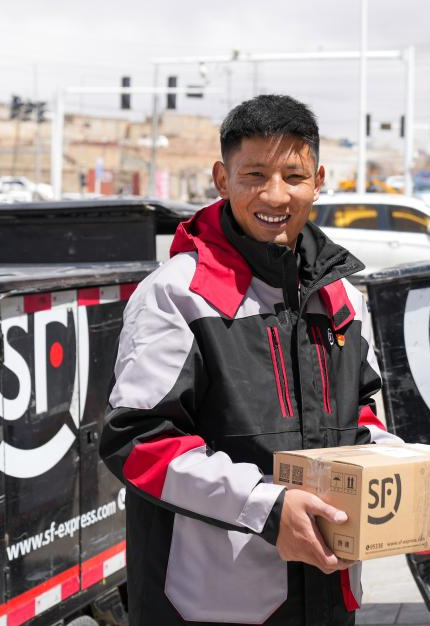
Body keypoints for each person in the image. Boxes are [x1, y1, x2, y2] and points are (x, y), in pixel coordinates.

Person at [100, 94, 400, 626]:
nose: (275, 195)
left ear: (318, 181)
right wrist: (268, 508)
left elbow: (358, 415)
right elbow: (139, 442)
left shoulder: (340, 298)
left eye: (293, 176)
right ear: (222, 179)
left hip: (328, 592)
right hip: (209, 607)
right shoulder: (177, 295)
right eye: (254, 175)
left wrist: (396, 468)